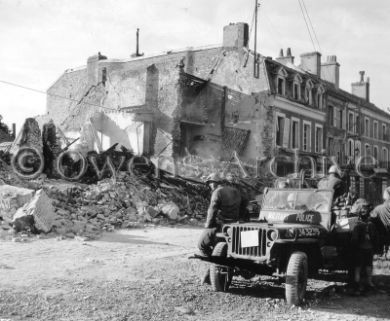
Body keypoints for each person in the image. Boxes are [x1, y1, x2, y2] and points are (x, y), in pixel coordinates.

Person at [197, 172, 245, 284]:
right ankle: (211, 272)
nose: (210, 186)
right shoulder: (236, 191)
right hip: (234, 225)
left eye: (210, 183)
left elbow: (212, 210)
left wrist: (208, 226)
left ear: (215, 182)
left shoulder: (217, 192)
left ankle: (214, 268)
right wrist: (240, 217)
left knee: (202, 245)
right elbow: (245, 202)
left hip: (221, 225)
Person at [351, 198, 378, 294]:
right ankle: (369, 283)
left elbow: (354, 240)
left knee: (359, 267)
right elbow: (375, 237)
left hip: (360, 249)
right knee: (368, 267)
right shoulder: (371, 225)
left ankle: (358, 284)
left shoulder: (357, 225)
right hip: (368, 248)